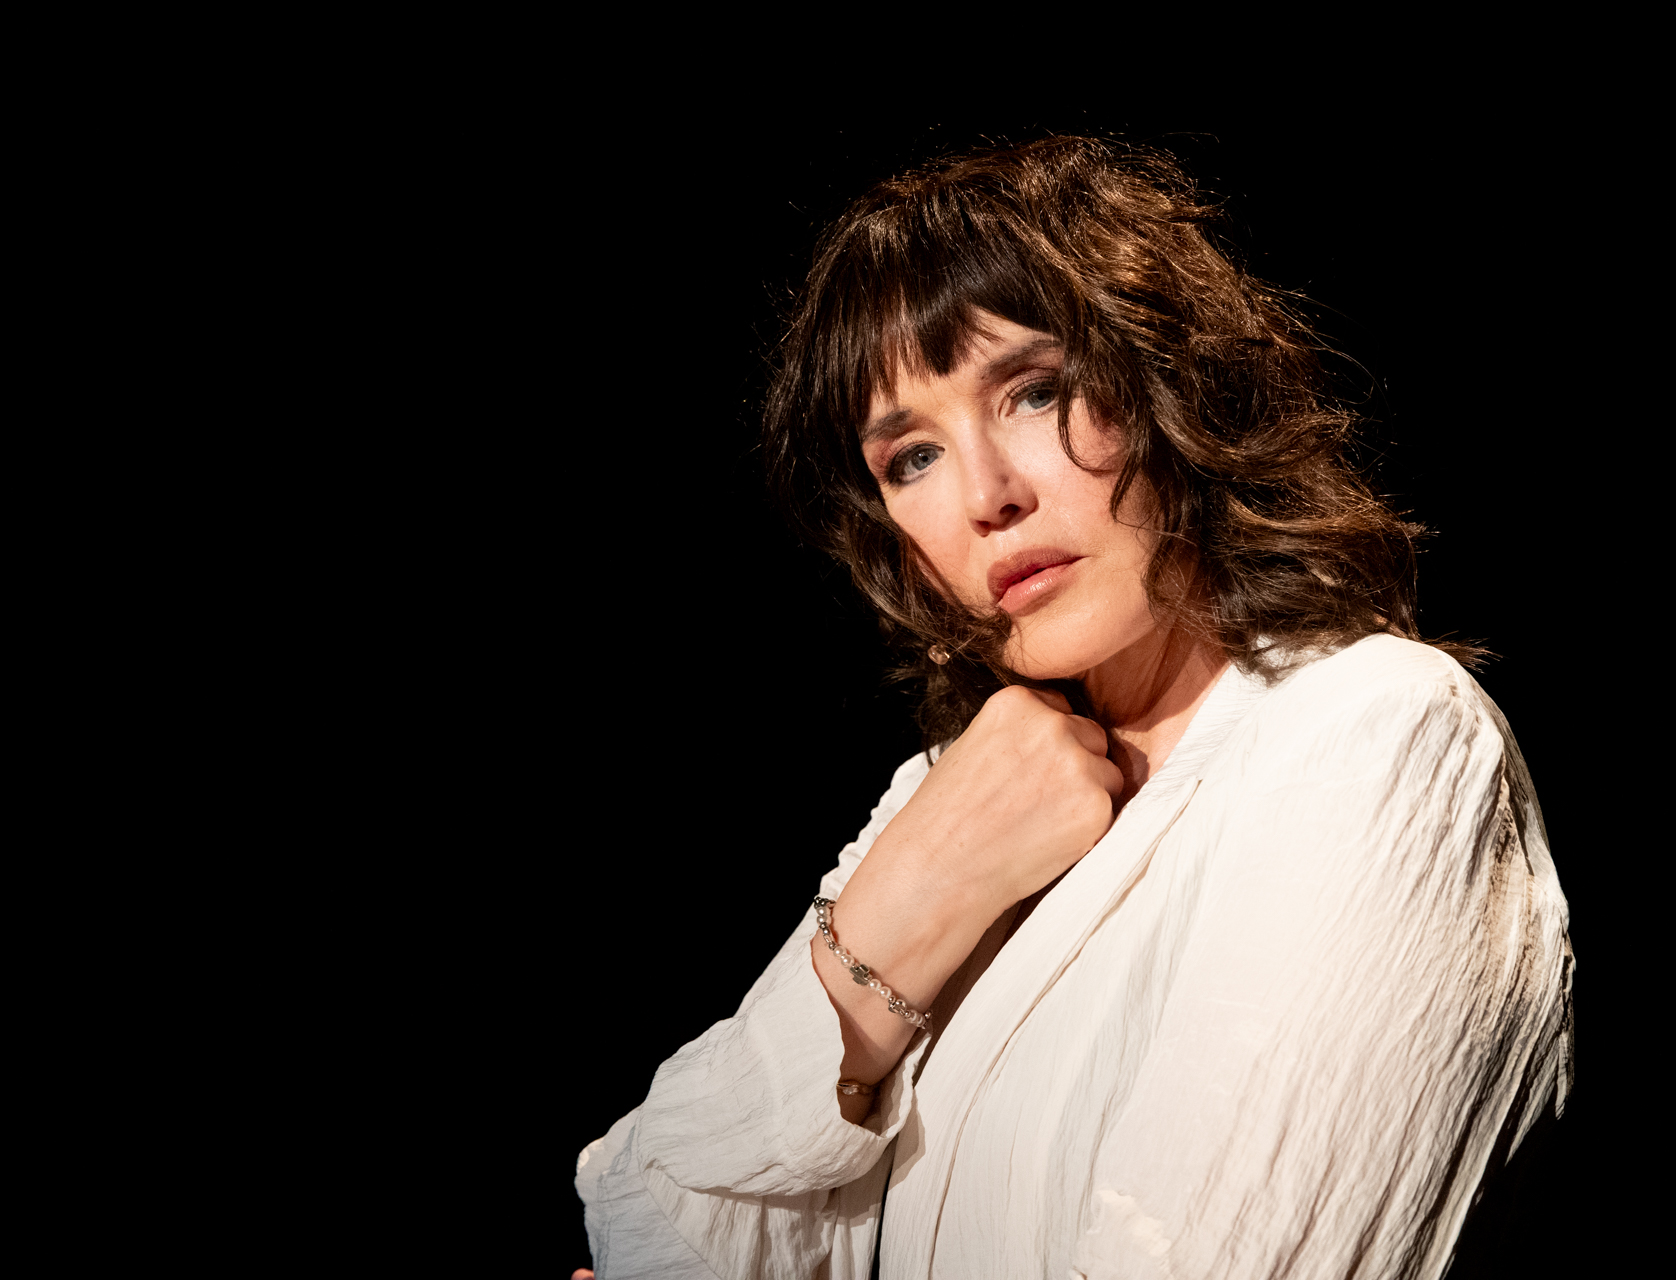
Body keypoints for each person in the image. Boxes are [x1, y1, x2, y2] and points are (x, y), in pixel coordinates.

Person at [574, 137, 1573, 1280]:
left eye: (1035, 391)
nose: (988, 493)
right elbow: (655, 1224)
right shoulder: (950, 792)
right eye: (911, 457)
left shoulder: (1375, 731)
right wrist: (903, 907)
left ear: (1170, 379)